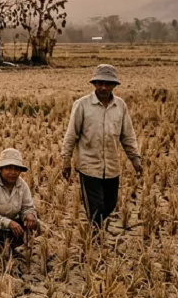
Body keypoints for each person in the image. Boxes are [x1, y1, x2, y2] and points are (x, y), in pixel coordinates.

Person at [61, 64, 142, 229]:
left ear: (114, 85)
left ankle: (95, 228)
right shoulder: (82, 105)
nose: (103, 87)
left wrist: (135, 159)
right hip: (88, 167)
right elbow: (71, 135)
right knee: (95, 208)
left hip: (112, 167)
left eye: (107, 83)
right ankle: (93, 239)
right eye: (99, 83)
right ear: (94, 84)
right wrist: (66, 161)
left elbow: (127, 135)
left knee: (110, 205)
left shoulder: (120, 106)